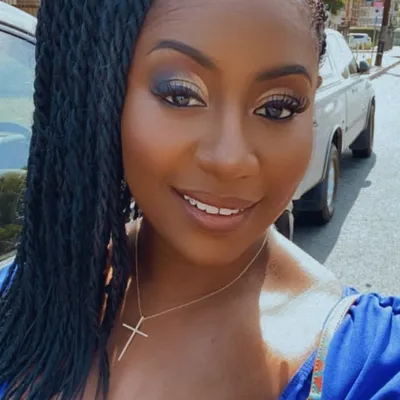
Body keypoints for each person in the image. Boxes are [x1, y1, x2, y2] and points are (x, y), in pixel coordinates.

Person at [0, 0, 399, 399]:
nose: (230, 160)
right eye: (180, 95)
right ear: (103, 94)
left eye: (277, 108)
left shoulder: (369, 365)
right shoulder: (23, 297)